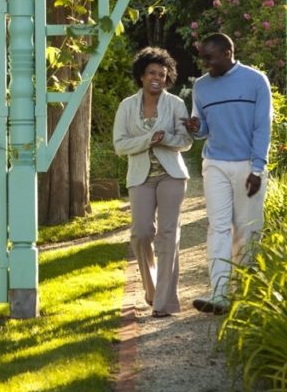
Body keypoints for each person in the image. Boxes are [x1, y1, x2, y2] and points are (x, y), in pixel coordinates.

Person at [182, 33, 272, 315]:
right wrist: (196, 128)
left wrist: (257, 168)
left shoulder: (256, 80)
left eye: (209, 57)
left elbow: (262, 127)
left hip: (248, 165)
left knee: (247, 230)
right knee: (218, 227)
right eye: (202, 57)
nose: (204, 63)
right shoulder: (201, 86)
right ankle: (219, 294)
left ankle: (246, 293)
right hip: (216, 164)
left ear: (227, 52)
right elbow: (204, 129)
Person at [113, 47, 193, 317]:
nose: (157, 77)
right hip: (140, 177)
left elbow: (185, 142)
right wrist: (148, 139)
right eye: (151, 73)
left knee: (169, 235)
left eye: (162, 73)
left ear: (167, 76)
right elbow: (120, 145)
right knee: (141, 233)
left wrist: (166, 138)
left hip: (172, 175)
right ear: (142, 76)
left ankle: (164, 302)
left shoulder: (176, 104)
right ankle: (151, 289)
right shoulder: (127, 106)